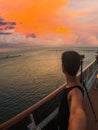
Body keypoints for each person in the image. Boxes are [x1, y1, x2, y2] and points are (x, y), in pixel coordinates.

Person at [58, 51, 87, 130]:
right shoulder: (76, 83)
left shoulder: (75, 93)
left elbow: (77, 114)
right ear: (77, 68)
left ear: (63, 68)